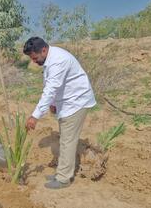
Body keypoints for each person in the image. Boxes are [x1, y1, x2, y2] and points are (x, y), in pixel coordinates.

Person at [23, 37, 96, 189]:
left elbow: (51, 89)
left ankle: (63, 179)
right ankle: (61, 173)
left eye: (35, 58)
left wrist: (35, 116)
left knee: (67, 141)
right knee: (65, 139)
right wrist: (53, 104)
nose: (34, 62)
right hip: (67, 101)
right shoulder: (50, 57)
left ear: (43, 50)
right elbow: (52, 85)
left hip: (76, 102)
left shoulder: (59, 60)